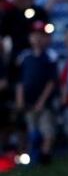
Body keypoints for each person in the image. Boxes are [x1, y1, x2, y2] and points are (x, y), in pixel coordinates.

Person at [16, 21, 59, 165]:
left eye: (41, 35)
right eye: (35, 35)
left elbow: (51, 81)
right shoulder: (25, 57)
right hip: (29, 103)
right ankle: (32, 157)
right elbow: (20, 81)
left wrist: (42, 101)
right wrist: (20, 99)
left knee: (47, 130)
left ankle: (45, 156)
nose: (38, 39)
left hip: (44, 103)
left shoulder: (50, 56)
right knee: (32, 130)